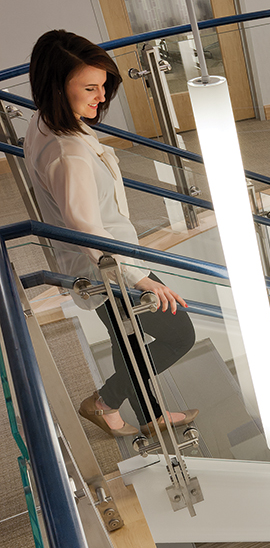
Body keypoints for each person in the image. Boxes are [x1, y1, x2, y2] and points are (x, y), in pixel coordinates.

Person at [23, 29, 197, 438]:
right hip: (107, 268)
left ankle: (139, 412)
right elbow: (86, 227)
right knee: (178, 334)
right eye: (90, 87)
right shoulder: (68, 152)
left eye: (102, 86)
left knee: (127, 339)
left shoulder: (46, 123)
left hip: (105, 263)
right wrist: (141, 278)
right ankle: (104, 402)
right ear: (56, 85)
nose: (101, 97)